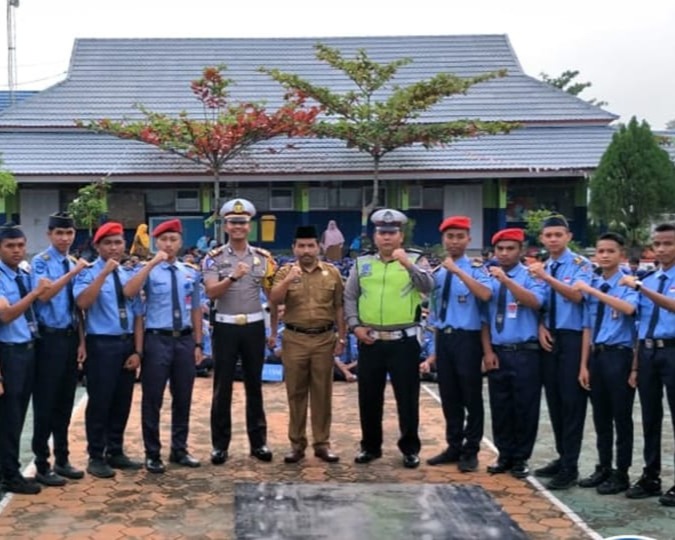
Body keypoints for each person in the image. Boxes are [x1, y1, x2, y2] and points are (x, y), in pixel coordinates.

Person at [344, 209, 433, 469]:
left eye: (392, 233)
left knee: (407, 397)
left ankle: (410, 448)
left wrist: (407, 263)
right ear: (375, 235)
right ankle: (370, 446)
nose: (386, 238)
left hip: (403, 341)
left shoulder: (417, 259)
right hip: (371, 339)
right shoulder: (363, 263)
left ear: (400, 236)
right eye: (382, 233)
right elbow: (350, 297)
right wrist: (354, 326)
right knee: (369, 397)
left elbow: (428, 287)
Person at [122, 219, 203, 474]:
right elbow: (129, 291)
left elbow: (197, 310)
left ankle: (179, 449)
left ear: (180, 242)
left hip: (184, 340)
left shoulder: (189, 271)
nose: (168, 244)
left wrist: (199, 343)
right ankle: (152, 452)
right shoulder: (148, 270)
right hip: (157, 339)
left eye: (173, 240)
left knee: (183, 397)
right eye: (164, 240)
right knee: (152, 398)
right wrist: (152, 263)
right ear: (157, 242)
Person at [202, 198, 276, 465]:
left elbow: (273, 295)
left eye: (242, 222)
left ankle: (259, 443)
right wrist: (232, 276)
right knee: (222, 388)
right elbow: (210, 292)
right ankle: (220, 445)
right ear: (225, 226)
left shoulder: (263, 258)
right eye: (233, 222)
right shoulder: (214, 259)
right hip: (225, 326)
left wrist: (275, 328)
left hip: (254, 327)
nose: (238, 227)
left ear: (249, 226)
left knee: (254, 386)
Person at [73, 222, 144, 479]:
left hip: (126, 343)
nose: (114, 248)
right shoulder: (87, 272)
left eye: (118, 243)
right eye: (108, 243)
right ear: (98, 246)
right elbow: (82, 303)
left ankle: (116, 449)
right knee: (100, 401)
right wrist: (103, 274)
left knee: (122, 400)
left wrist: (138, 351)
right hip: (101, 343)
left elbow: (138, 316)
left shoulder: (128, 275)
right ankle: (96, 455)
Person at [270, 225, 346, 464]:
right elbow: (274, 299)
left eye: (310, 245)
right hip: (295, 339)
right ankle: (297, 444)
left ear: (318, 247)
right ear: (294, 248)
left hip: (324, 339)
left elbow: (339, 307)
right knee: (296, 393)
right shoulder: (285, 272)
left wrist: (342, 337)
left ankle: (322, 444)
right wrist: (289, 280)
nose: (306, 250)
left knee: (323, 393)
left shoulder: (332, 273)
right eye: (301, 246)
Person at [528, 214, 592, 490]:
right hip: (550, 337)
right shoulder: (546, 266)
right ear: (542, 238)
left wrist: (545, 276)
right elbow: (542, 303)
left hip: (574, 337)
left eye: (558, 234)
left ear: (569, 237)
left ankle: (571, 466)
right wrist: (541, 324)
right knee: (553, 401)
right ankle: (561, 456)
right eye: (548, 235)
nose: (553, 239)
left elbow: (577, 296)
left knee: (572, 403)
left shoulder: (580, 264)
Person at [426, 216, 492, 473]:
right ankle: (453, 445)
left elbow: (486, 295)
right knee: (449, 396)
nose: (454, 241)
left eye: (459, 237)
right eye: (450, 237)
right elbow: (433, 312)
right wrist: (433, 351)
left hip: (468, 339)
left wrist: (459, 272)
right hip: (445, 338)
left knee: (471, 396)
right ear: (443, 239)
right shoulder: (438, 272)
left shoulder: (475, 269)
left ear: (468, 240)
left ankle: (471, 449)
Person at [573, 232, 637, 495]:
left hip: (619, 355)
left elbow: (629, 310)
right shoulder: (596, 284)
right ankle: (604, 467)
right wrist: (583, 365)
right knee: (600, 416)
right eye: (600, 251)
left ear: (621, 255)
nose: (605, 255)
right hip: (597, 355)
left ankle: (621, 473)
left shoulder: (629, 283)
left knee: (621, 417)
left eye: (611, 251)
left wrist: (590, 291)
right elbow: (588, 327)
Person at [480, 228, 545, 479]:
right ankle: (504, 453)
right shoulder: (487, 278)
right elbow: (484, 320)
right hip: (498, 351)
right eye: (500, 249)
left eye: (510, 249)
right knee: (500, 406)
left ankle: (521, 457)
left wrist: (506, 281)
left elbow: (535, 302)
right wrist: (487, 352)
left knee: (525, 407)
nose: (504, 254)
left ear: (520, 251)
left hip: (525, 352)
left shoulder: (530, 276)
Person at [30, 212, 89, 487]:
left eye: (69, 233)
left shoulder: (72, 262)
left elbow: (76, 308)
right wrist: (73, 273)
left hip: (68, 338)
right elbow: (44, 295)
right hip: (47, 339)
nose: (65, 238)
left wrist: (81, 341)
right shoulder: (40, 262)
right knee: (45, 403)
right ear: (49, 235)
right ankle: (42, 464)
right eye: (59, 234)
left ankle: (62, 459)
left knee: (65, 401)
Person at [620, 223, 675, 506]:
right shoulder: (651, 279)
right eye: (658, 244)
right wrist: (636, 365)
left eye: (669, 243)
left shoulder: (645, 283)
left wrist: (640, 287)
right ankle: (651, 476)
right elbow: (640, 325)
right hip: (649, 353)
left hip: (673, 351)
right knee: (650, 417)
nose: (663, 249)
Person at [0, 224, 52, 494]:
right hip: (9, 352)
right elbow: (5, 315)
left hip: (28, 348)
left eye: (20, 245)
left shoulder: (23, 272)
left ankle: (8, 470)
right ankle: (10, 475)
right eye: (10, 246)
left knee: (19, 413)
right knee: (9, 416)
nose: (17, 251)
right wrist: (34, 293)